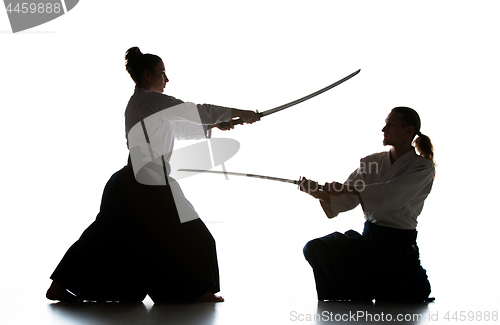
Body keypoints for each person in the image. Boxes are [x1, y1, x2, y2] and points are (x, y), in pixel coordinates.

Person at [46, 47, 259, 303]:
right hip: (145, 181)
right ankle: (196, 290)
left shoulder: (148, 105)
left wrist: (216, 123)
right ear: (147, 76)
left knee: (106, 235)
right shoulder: (148, 101)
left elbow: (179, 128)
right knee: (191, 233)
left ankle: (60, 286)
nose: (166, 80)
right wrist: (239, 112)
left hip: (133, 181)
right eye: (162, 73)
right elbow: (192, 111)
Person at [300, 107, 435, 302]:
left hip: (398, 248)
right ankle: (358, 293)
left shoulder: (422, 167)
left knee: (397, 295)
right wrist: (316, 193)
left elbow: (392, 194)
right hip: (369, 242)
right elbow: (345, 200)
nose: (384, 129)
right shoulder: (372, 162)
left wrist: (348, 189)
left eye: (391, 125)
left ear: (408, 130)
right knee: (316, 248)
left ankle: (370, 289)